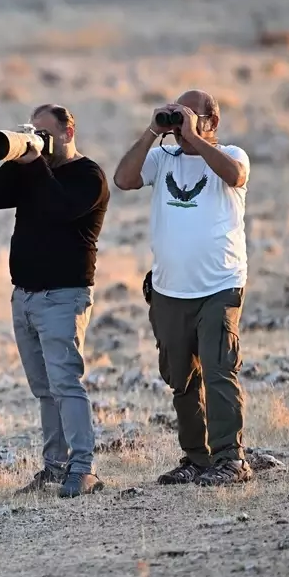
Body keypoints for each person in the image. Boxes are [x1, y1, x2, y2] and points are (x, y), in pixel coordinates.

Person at [112, 89, 253, 487]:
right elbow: (123, 179)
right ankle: (197, 458)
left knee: (218, 370)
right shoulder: (161, 158)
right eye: (176, 115)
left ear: (213, 121)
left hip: (219, 285)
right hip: (170, 289)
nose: (180, 123)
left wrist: (195, 138)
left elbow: (235, 176)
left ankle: (232, 459)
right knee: (182, 378)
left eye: (190, 115)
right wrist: (151, 132)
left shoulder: (231, 155)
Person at [0, 104, 110, 498]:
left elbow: (60, 208)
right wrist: (18, 154)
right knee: (44, 389)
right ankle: (54, 467)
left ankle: (82, 468)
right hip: (25, 296)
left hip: (63, 296)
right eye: (34, 132)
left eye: (45, 133)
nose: (40, 139)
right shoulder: (32, 172)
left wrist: (36, 164)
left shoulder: (89, 176)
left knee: (66, 383)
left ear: (69, 132)